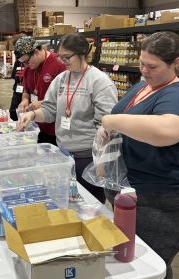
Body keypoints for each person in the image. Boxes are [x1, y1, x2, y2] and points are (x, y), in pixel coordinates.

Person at [101, 31, 179, 279]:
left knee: (152, 276)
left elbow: (168, 131)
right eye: (141, 63)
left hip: (162, 201)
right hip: (133, 193)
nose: (144, 70)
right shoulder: (144, 86)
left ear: (176, 62)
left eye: (152, 66)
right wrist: (108, 133)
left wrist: (112, 120)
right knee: (140, 266)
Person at [17, 33, 117, 203]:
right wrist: (32, 115)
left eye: (67, 57)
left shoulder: (99, 81)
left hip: (88, 158)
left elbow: (107, 126)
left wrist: (102, 161)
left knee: (89, 207)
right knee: (65, 204)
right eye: (61, 57)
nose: (63, 62)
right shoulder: (61, 79)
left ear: (82, 52)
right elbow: (49, 109)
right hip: (63, 155)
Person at [15, 36, 66, 145]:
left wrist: (42, 103)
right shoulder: (29, 67)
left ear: (36, 52)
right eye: (23, 63)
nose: (26, 65)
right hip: (35, 124)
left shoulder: (59, 65)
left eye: (27, 62)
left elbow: (67, 97)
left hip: (53, 128)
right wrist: (25, 99)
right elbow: (26, 90)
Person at [9, 33, 26, 121]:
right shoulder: (18, 62)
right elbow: (14, 77)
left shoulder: (30, 62)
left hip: (27, 94)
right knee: (12, 113)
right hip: (17, 92)